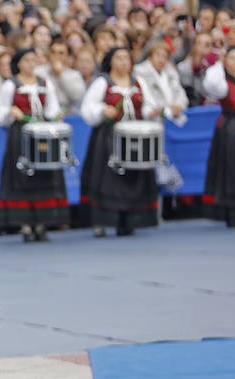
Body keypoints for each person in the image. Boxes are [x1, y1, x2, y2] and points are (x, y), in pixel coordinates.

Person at [80, 47, 159, 237]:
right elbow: (87, 108)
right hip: (109, 138)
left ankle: (128, 220)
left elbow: (148, 105)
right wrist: (102, 110)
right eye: (119, 58)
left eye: (127, 58)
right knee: (108, 180)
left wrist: (151, 111)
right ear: (111, 61)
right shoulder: (102, 82)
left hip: (134, 138)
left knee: (133, 178)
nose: (124, 62)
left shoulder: (138, 82)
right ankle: (102, 221)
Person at [0, 48, 69, 242]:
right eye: (26, 60)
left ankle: (42, 223)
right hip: (20, 136)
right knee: (22, 176)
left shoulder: (44, 83)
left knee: (44, 175)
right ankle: (25, 224)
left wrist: (55, 116)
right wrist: (11, 113)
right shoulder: (11, 85)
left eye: (33, 60)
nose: (30, 64)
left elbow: (52, 109)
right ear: (18, 63)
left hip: (42, 135)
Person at [202, 47, 235, 227]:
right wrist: (218, 64)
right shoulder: (223, 82)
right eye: (231, 58)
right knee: (232, 169)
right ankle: (234, 210)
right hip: (231, 127)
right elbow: (211, 86)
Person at [133, 41, 188, 127]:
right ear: (150, 56)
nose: (161, 59)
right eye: (158, 55)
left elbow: (179, 91)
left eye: (164, 57)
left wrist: (178, 105)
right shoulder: (140, 72)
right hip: (151, 120)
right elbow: (147, 97)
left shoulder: (171, 72)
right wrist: (166, 108)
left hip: (172, 118)